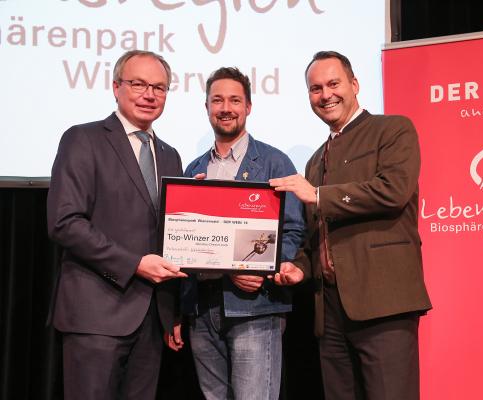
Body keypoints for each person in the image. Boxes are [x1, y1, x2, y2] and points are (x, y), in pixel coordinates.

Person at [269, 51, 432, 400]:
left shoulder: (392, 129)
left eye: (333, 83)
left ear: (354, 85)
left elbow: (393, 191)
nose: (325, 94)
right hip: (329, 312)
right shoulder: (315, 160)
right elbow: (317, 238)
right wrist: (298, 267)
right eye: (316, 88)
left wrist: (317, 193)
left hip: (382, 301)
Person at [47, 50, 186, 400]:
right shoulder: (84, 139)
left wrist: (173, 310)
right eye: (138, 84)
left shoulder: (170, 154)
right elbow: (64, 222)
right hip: (95, 314)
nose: (149, 94)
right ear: (115, 87)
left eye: (159, 87)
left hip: (152, 320)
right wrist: (134, 264)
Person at [166, 67, 304, 400]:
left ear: (249, 107)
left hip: (253, 307)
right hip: (202, 311)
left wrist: (255, 269)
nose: (225, 107)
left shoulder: (274, 162)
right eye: (217, 100)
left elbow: (293, 229)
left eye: (234, 100)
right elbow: (180, 242)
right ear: (207, 107)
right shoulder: (194, 169)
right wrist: (180, 309)